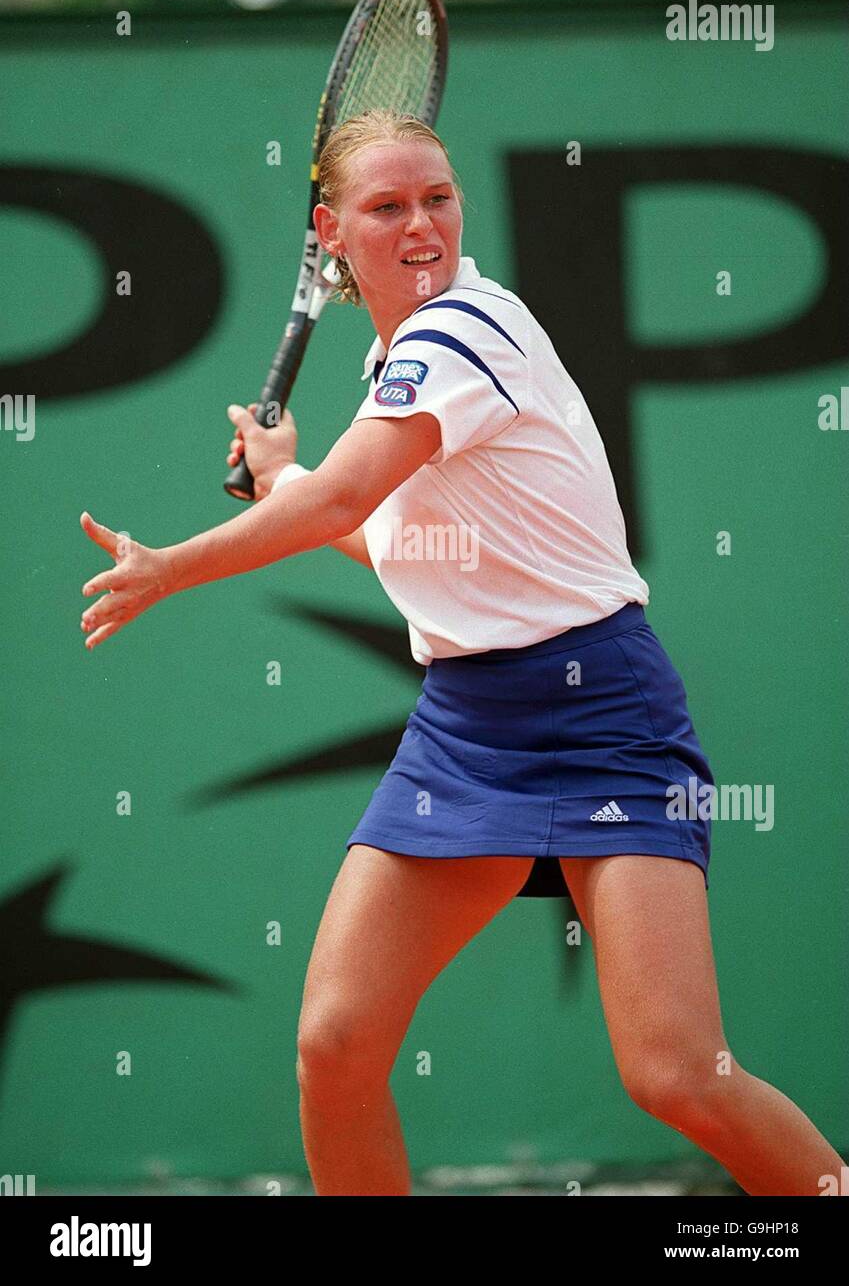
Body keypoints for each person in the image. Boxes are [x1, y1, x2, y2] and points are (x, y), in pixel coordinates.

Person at [79, 110, 845, 1198]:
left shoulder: (466, 331)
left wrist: (173, 565)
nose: (422, 223)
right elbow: (387, 534)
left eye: (437, 197)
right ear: (330, 229)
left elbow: (349, 494)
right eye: (388, 206)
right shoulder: (397, 360)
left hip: (604, 715)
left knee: (677, 1075)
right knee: (335, 1048)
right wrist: (288, 481)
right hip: (466, 731)